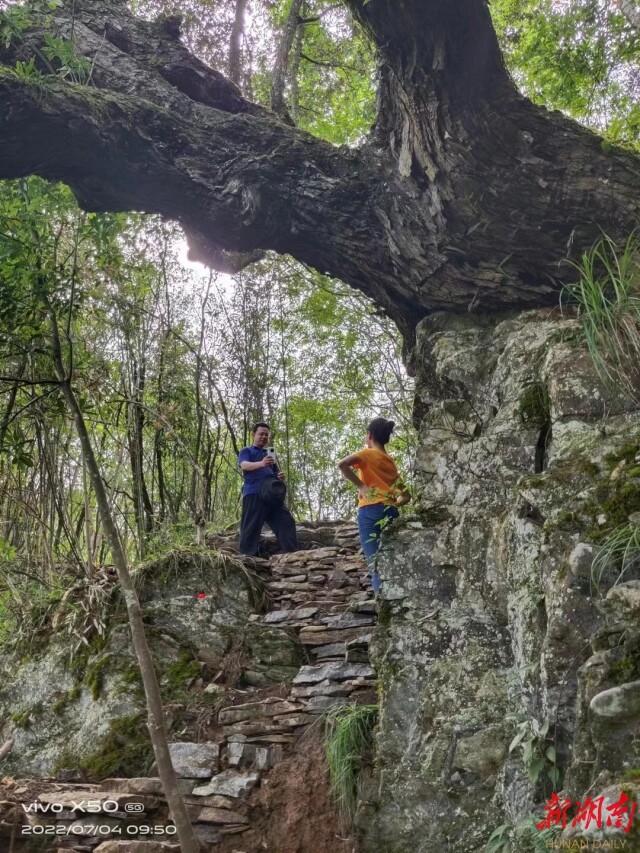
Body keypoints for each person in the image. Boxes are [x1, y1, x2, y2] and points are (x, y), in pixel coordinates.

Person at [338, 417, 410, 593]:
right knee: (391, 561)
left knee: (375, 562)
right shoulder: (391, 462)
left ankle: (384, 608)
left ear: (369, 435)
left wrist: (362, 486)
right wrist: (394, 503)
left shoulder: (367, 454)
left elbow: (342, 465)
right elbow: (406, 495)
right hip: (391, 511)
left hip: (370, 510)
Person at [238, 422, 298, 556]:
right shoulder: (246, 451)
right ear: (253, 434)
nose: (264, 437)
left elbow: (273, 473)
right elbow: (244, 466)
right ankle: (247, 559)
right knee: (250, 527)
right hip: (253, 494)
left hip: (271, 495)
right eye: (261, 434)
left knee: (286, 521)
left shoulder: (269, 455)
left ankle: (292, 555)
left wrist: (279, 476)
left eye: (266, 435)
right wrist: (261, 463)